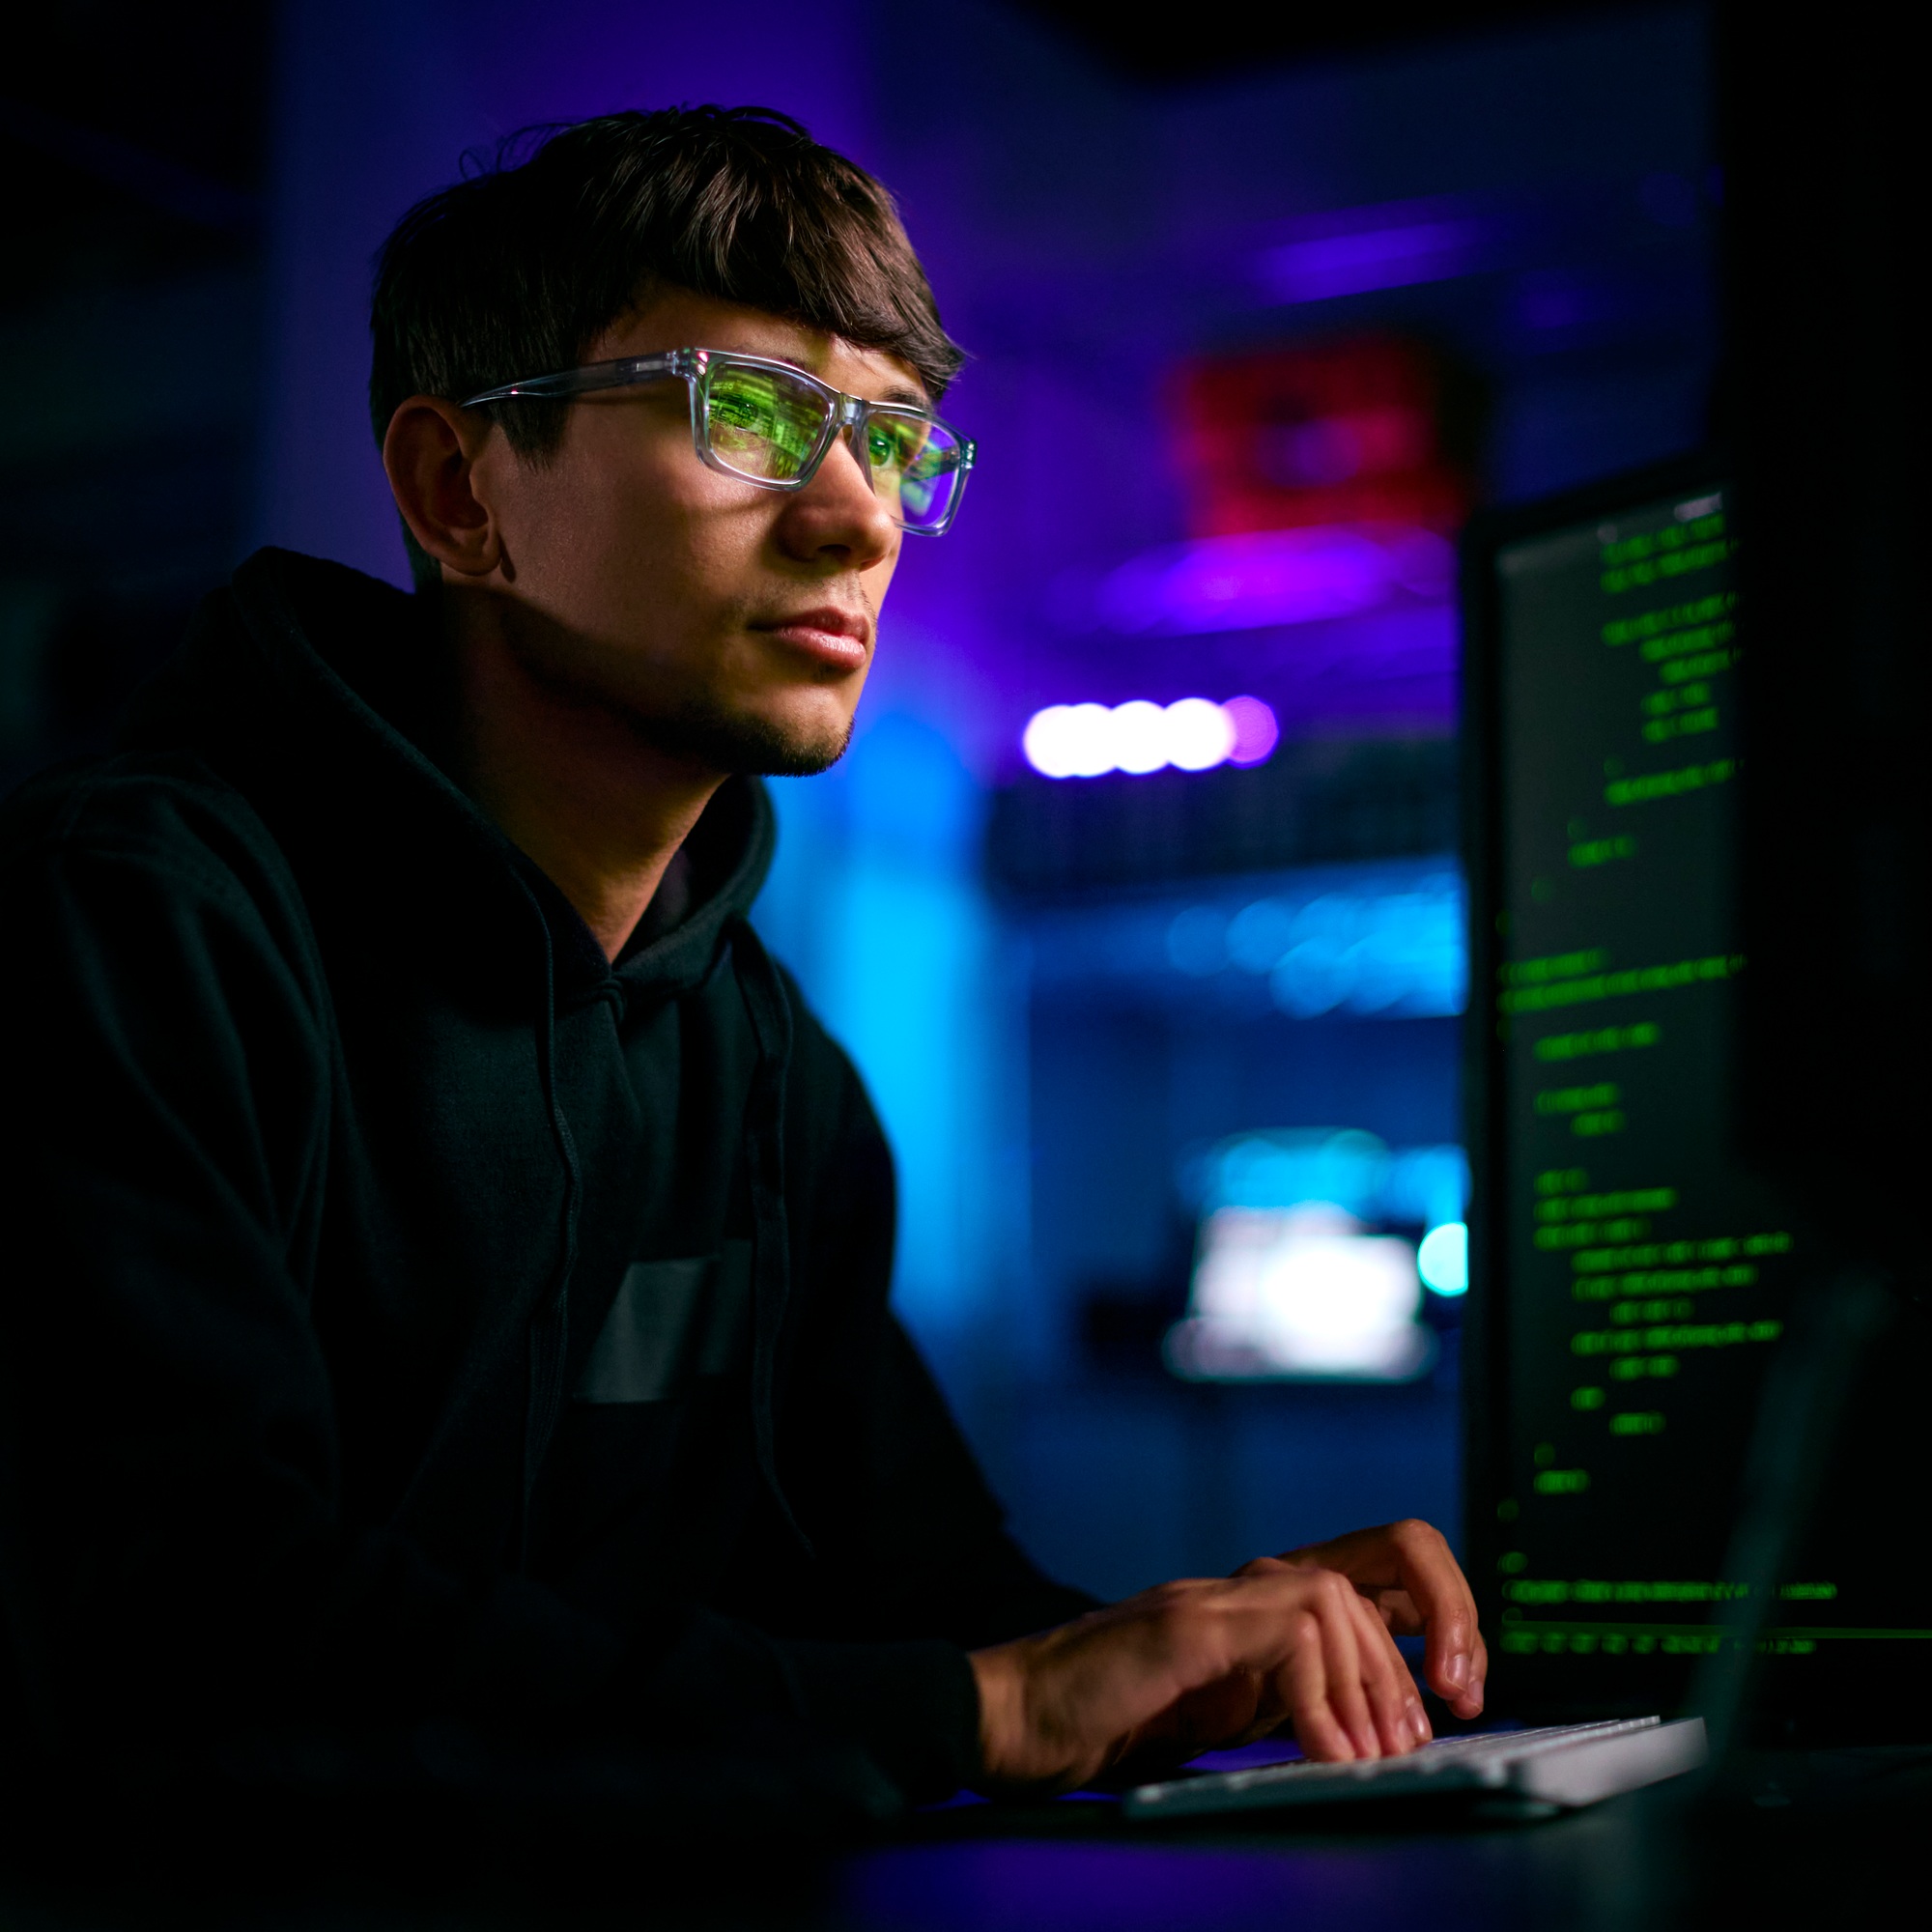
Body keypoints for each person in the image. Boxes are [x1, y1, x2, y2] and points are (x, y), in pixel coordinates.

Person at [0, 106, 1484, 1822]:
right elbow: (174, 1647)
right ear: (457, 489)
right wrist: (991, 1706)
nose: (859, 520)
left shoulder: (764, 1066)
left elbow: (920, 1615)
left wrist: (1211, 1651)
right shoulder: (127, 932)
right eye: (757, 414)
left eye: (895, 437)